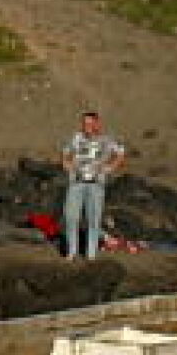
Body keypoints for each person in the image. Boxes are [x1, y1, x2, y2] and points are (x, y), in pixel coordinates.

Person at [60, 111, 126, 260]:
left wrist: (110, 167)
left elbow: (120, 153)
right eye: (84, 124)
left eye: (90, 124)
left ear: (97, 124)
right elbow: (65, 152)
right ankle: (72, 252)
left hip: (96, 184)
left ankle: (91, 255)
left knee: (93, 220)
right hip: (76, 183)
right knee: (70, 217)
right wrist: (66, 163)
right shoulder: (76, 138)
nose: (86, 127)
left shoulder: (107, 140)